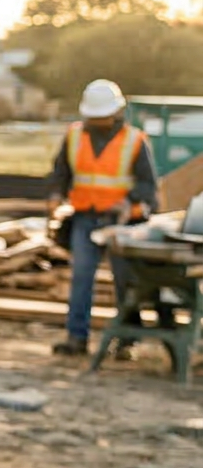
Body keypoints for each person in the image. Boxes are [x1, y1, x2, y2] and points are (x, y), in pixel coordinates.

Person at [48, 78, 157, 356]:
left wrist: (129, 200)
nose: (98, 122)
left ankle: (127, 341)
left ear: (117, 112)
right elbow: (61, 170)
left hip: (121, 224)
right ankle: (76, 338)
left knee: (125, 281)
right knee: (81, 278)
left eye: (104, 117)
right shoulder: (74, 135)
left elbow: (148, 184)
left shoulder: (135, 140)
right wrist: (55, 194)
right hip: (85, 217)